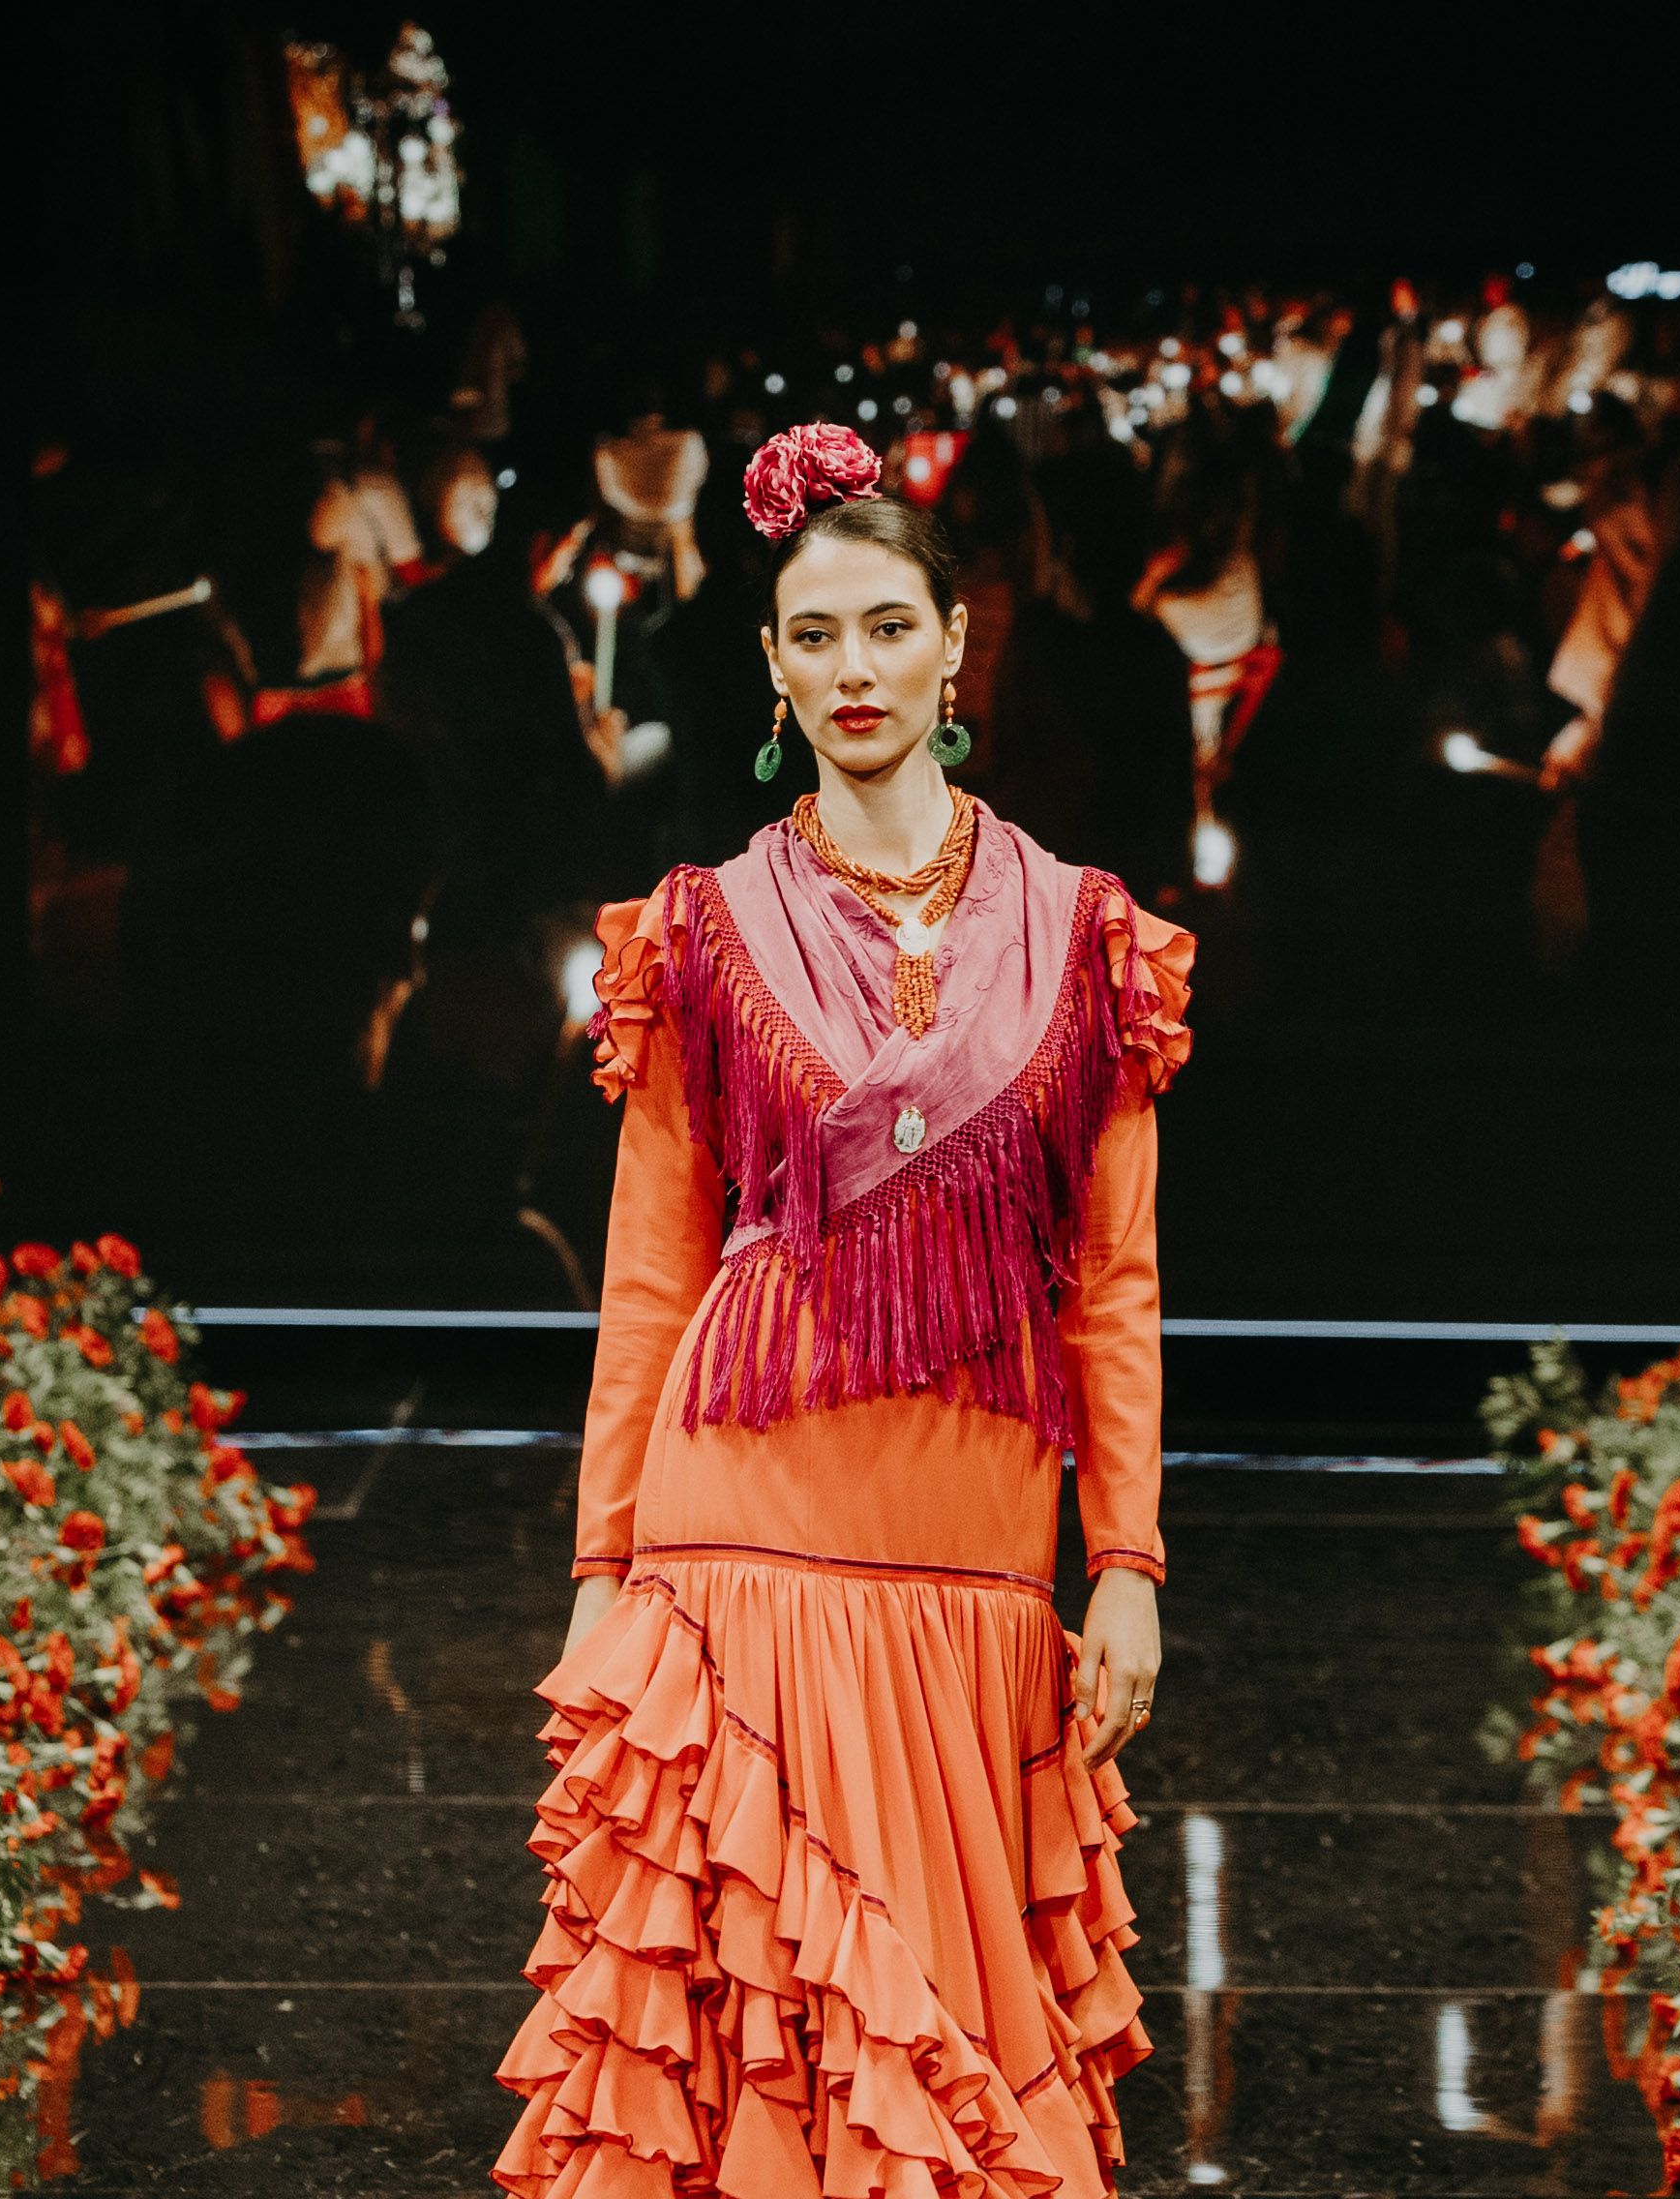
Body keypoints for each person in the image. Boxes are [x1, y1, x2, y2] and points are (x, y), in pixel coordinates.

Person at [496, 426, 1188, 2196]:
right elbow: (648, 1273)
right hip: (738, 1522)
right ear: (772, 665)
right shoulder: (702, 926)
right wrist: (599, 1571)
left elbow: (1113, 1277)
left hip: (972, 1540)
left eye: (888, 628)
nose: (853, 670)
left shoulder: (1085, 933)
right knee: (753, 2031)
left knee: (943, 2040)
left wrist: (1124, 1559)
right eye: (815, 636)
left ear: (957, 646)